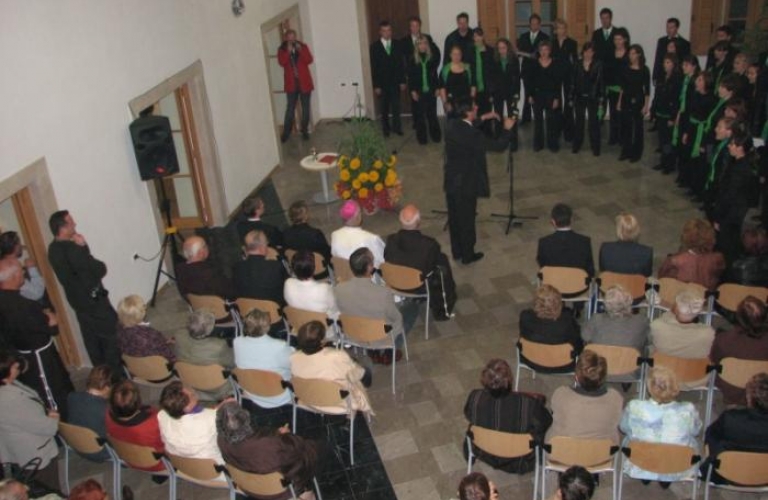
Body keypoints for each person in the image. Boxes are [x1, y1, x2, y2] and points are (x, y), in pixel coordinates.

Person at [443, 97, 514, 264]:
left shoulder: (452, 125)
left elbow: (468, 128)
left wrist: (484, 117)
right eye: (474, 108)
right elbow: (498, 146)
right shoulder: (472, 135)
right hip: (466, 183)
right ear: (467, 112)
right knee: (467, 219)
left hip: (452, 180)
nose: (477, 109)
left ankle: (457, 251)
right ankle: (468, 255)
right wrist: (507, 129)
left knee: (454, 219)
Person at [47, 210, 120, 371]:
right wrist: (83, 247)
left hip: (78, 304)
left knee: (92, 341)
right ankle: (116, 376)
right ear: (63, 228)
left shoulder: (52, 250)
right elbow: (99, 269)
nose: (75, 224)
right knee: (111, 338)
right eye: (71, 222)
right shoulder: (74, 249)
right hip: (95, 303)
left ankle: (100, 374)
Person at [0, 259, 73, 417]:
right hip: (40, 357)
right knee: (52, 393)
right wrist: (51, 320)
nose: (23, 274)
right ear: (13, 277)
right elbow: (51, 328)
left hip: (20, 354)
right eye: (21, 271)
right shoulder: (25, 305)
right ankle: (64, 426)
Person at [463, 359, 552, 473]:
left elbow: (468, 414)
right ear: (509, 380)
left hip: (485, 453)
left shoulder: (475, 398)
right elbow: (547, 422)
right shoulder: (529, 404)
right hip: (521, 460)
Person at [215, 402, 318, 500]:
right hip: (283, 491)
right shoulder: (270, 444)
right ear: (246, 418)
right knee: (320, 448)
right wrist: (287, 436)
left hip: (250, 488)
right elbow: (299, 449)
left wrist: (277, 436)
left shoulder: (221, 441)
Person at [620, 366, 702, 486]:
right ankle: (666, 478)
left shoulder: (634, 407)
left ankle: (646, 475)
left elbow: (623, 427)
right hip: (678, 464)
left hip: (640, 461)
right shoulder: (688, 410)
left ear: (650, 387)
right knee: (693, 442)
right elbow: (696, 431)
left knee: (629, 439)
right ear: (675, 387)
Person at [0, 350, 61, 493]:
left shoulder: (9, 386)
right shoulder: (11, 400)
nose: (18, 368)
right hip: (35, 452)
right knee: (48, 490)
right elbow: (46, 428)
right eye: (15, 367)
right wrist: (53, 417)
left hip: (19, 449)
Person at [335, 247, 410, 363]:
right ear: (369, 267)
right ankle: (388, 352)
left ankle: (374, 352)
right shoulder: (383, 293)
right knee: (408, 311)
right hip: (379, 337)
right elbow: (396, 319)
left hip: (353, 333)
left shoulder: (338, 289)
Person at [384, 204, 457, 321]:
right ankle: (442, 309)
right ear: (418, 222)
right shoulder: (429, 244)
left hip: (394, 283)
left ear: (401, 221)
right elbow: (433, 267)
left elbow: (387, 258)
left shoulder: (391, 240)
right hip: (418, 287)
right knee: (442, 263)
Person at [290, 321, 373, 418]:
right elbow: (357, 374)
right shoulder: (337, 355)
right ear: (322, 340)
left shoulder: (293, 358)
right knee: (365, 367)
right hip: (340, 402)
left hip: (308, 400)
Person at [702, 372, 768, 484]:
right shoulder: (731, 418)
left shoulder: (731, 418)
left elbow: (710, 435)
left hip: (725, 473)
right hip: (764, 476)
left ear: (749, 397)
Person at [547, 350, 624, 444]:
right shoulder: (615, 399)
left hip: (561, 453)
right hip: (601, 455)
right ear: (604, 378)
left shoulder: (561, 394)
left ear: (576, 376)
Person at [157, 381, 225, 481]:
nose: (192, 390)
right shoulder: (212, 418)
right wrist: (225, 411)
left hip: (183, 468)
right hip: (218, 473)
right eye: (191, 393)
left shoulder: (161, 415)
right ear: (187, 407)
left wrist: (214, 412)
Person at [710, 296, 768, 405]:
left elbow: (714, 361)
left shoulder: (724, 339)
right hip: (763, 389)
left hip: (731, 387)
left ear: (739, 318)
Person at [650, 291, 714, 387]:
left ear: (676, 308)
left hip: (662, 376)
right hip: (695, 378)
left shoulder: (657, 326)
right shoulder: (708, 333)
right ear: (699, 311)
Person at [714, 129, 759, 264]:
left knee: (727, 247)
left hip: (730, 215)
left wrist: (718, 217)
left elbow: (728, 196)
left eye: (732, 144)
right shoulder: (746, 165)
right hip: (738, 212)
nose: (729, 146)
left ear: (740, 148)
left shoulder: (739, 170)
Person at [233, 309, 293, 408]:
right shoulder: (279, 346)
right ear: (267, 327)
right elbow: (293, 364)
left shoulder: (237, 342)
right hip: (278, 396)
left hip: (250, 390)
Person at [105, 379, 165, 473]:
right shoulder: (154, 421)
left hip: (129, 459)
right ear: (138, 402)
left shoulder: (108, 416)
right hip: (157, 463)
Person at [519, 285, 583, 373]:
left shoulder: (525, 317)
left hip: (531, 361)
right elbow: (578, 345)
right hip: (563, 365)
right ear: (558, 303)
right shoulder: (567, 322)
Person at [658, 218, 726, 290]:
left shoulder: (674, 261)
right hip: (706, 297)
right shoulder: (718, 259)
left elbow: (662, 280)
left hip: (681, 297)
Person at [582, 285, 648, 355]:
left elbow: (585, 336)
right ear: (629, 301)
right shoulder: (641, 321)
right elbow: (646, 342)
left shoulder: (596, 319)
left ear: (606, 303)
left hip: (599, 364)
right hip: (628, 364)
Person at [66, 365, 113, 462]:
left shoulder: (72, 397)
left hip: (77, 445)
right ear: (106, 387)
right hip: (99, 452)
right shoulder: (105, 409)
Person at [537, 203, 595, 277]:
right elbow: (590, 271)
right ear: (571, 219)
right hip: (578, 285)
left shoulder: (543, 243)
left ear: (553, 222)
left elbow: (543, 266)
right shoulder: (584, 241)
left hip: (554, 284)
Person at [284, 250, 339, 327]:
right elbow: (334, 308)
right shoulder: (324, 289)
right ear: (313, 269)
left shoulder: (288, 283)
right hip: (323, 328)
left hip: (299, 324)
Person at [232, 230, 287, 306]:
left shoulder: (237, 267)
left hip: (248, 310)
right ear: (262, 247)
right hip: (275, 313)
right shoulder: (276, 266)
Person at [369, 20, 405, 137]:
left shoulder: (398, 44)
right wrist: (376, 85)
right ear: (380, 32)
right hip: (382, 83)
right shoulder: (374, 47)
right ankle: (385, 128)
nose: (387, 33)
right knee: (384, 108)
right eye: (384, 31)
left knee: (396, 106)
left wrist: (402, 80)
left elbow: (401, 64)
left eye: (389, 30)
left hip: (395, 82)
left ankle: (397, 127)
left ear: (391, 31)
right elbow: (374, 67)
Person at [277, 29, 313, 143]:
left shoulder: (303, 46)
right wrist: (288, 52)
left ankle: (304, 130)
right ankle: (286, 133)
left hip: (304, 83)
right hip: (291, 85)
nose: (292, 40)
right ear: (286, 38)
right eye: (290, 38)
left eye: (294, 37)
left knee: (306, 108)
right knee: (290, 109)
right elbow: (281, 62)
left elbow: (309, 60)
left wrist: (300, 50)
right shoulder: (281, 49)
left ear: (296, 37)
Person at [115, 294, 175, 362]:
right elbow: (163, 350)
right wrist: (173, 360)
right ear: (140, 314)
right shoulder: (150, 335)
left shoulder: (118, 327)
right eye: (143, 307)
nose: (145, 308)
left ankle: (165, 340)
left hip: (133, 359)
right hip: (154, 361)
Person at [531, 41, 567, 152]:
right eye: (542, 50)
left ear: (550, 51)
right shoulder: (534, 64)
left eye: (546, 50)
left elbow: (558, 82)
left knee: (552, 122)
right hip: (537, 95)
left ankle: (553, 144)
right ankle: (538, 144)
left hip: (551, 95)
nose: (544, 52)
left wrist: (557, 98)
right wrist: (530, 95)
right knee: (538, 121)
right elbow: (530, 82)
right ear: (539, 51)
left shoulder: (556, 64)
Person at [618, 44, 650, 163]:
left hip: (638, 99)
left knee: (638, 127)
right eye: (630, 53)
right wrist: (619, 101)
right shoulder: (626, 68)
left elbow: (647, 90)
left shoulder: (644, 69)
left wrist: (646, 105)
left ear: (639, 54)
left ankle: (637, 153)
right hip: (626, 98)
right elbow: (622, 87)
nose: (630, 56)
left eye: (633, 53)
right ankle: (626, 151)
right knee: (626, 125)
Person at [175, 235, 234, 300]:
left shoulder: (180, 269)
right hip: (217, 306)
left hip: (197, 305)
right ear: (201, 252)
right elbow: (229, 292)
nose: (207, 247)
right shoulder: (210, 273)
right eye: (205, 246)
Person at [407, 34, 442, 145]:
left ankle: (436, 136)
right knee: (420, 116)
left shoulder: (432, 58)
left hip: (431, 90)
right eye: (420, 43)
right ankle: (422, 138)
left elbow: (434, 74)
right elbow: (411, 76)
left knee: (432, 115)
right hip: (419, 91)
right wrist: (412, 91)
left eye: (424, 43)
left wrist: (437, 88)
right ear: (417, 46)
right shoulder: (412, 59)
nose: (422, 46)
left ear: (427, 45)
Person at [571, 42, 603, 156]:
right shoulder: (577, 64)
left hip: (593, 97)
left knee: (593, 124)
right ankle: (577, 145)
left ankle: (596, 148)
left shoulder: (598, 64)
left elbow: (601, 83)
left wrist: (601, 99)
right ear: (582, 52)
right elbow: (573, 82)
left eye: (591, 51)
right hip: (579, 97)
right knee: (579, 122)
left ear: (593, 53)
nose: (588, 54)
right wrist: (571, 97)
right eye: (586, 51)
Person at [330, 200, 386, 267]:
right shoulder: (372, 238)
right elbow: (383, 260)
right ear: (357, 217)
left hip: (344, 274)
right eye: (360, 212)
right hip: (367, 276)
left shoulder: (335, 235)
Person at [518, 14, 550, 124]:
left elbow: (545, 54)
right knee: (528, 93)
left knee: (537, 94)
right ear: (529, 24)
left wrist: (532, 55)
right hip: (527, 70)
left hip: (539, 70)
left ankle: (538, 117)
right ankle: (526, 118)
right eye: (532, 23)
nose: (534, 25)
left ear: (540, 25)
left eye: (536, 23)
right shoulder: (523, 36)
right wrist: (525, 54)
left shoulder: (545, 37)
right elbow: (519, 52)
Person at [653, 53, 682, 173]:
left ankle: (669, 164)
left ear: (674, 64)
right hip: (660, 111)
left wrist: (673, 117)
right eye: (664, 62)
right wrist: (654, 111)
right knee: (662, 140)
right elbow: (658, 95)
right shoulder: (663, 77)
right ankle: (663, 161)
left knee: (668, 141)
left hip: (669, 113)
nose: (665, 65)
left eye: (668, 63)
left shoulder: (676, 79)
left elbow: (676, 100)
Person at [0, 231, 45, 302]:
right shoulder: (12, 269)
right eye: (19, 243)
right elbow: (37, 293)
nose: (21, 246)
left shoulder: (4, 265)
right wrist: (32, 269)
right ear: (16, 246)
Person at [552, 19, 578, 142]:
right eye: (559, 28)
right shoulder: (552, 43)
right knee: (556, 104)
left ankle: (569, 133)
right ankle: (556, 131)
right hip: (555, 77)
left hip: (568, 76)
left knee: (568, 103)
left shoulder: (572, 43)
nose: (561, 30)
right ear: (555, 30)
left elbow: (574, 61)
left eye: (563, 28)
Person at [603, 28, 629, 146]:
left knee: (623, 115)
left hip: (624, 89)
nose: (617, 41)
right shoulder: (609, 52)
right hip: (612, 87)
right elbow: (606, 70)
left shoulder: (629, 53)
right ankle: (613, 137)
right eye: (615, 39)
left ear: (625, 40)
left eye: (619, 39)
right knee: (613, 114)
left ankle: (623, 138)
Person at [652, 18, 690, 90]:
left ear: (677, 28)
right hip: (662, 75)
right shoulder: (661, 41)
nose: (669, 30)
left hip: (677, 76)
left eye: (671, 27)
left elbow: (685, 61)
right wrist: (655, 76)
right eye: (667, 27)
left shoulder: (685, 43)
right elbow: (658, 59)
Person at [489, 38, 520, 123]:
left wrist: (517, 92)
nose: (501, 50)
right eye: (499, 48)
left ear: (508, 48)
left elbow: (517, 77)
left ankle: (513, 134)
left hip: (511, 90)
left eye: (504, 48)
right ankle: (498, 134)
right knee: (498, 114)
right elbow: (491, 77)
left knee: (512, 114)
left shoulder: (514, 59)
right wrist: (491, 93)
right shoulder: (493, 60)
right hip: (497, 91)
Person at [439, 45, 474, 117]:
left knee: (466, 125)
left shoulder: (467, 68)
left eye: (458, 54)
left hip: (466, 102)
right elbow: (442, 88)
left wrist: (472, 101)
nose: (456, 56)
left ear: (461, 55)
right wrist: (445, 103)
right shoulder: (445, 69)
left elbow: (473, 85)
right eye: (454, 54)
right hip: (451, 102)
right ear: (450, 55)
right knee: (453, 125)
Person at [470, 28, 494, 115]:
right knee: (476, 112)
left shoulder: (490, 50)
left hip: (487, 87)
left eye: (479, 36)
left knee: (487, 111)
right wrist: (472, 85)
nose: (477, 38)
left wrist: (492, 89)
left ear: (483, 36)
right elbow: (469, 70)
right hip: (474, 87)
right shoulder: (470, 51)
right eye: (475, 36)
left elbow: (492, 70)